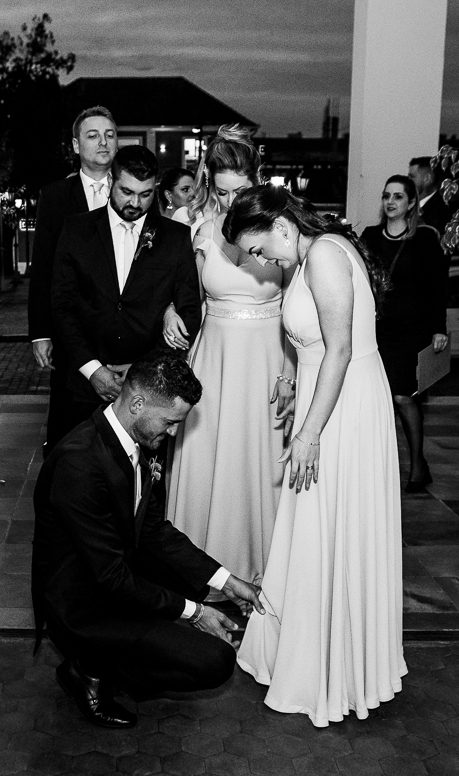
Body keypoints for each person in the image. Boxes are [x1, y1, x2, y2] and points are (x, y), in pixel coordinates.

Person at [225, 184, 405, 727]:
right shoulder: (306, 256)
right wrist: (288, 378)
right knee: (313, 530)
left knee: (331, 526)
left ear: (282, 227)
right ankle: (314, 654)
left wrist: (309, 434)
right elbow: (308, 339)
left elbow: (342, 348)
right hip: (325, 396)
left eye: (258, 251)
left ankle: (335, 670)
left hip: (343, 409)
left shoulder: (324, 253)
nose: (260, 263)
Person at [32, 351, 265, 728]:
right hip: (82, 599)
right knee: (215, 662)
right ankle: (90, 669)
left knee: (189, 580)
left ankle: (122, 649)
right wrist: (196, 613)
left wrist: (226, 580)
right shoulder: (80, 463)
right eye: (171, 422)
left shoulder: (137, 437)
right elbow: (110, 578)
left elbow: (155, 530)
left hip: (114, 567)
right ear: (137, 403)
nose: (174, 432)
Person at [161, 125, 291, 584]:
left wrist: (291, 371)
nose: (232, 201)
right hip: (212, 358)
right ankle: (202, 569)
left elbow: (299, 305)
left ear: (256, 180)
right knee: (208, 458)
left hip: (267, 359)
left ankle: (263, 570)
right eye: (221, 191)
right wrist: (169, 310)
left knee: (256, 460)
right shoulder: (195, 227)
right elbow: (180, 290)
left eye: (241, 190)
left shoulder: (282, 226)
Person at [50, 145, 202, 437]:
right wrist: (93, 369)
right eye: (126, 192)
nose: (135, 202)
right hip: (84, 386)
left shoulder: (175, 237)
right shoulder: (75, 230)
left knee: (141, 479)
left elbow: (190, 312)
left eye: (145, 195)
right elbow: (61, 306)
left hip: (149, 394)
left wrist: (144, 369)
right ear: (110, 182)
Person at [29, 107, 118, 455]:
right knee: (69, 427)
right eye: (93, 135)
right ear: (76, 144)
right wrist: (40, 331)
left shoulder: (134, 193)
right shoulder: (55, 196)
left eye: (110, 134)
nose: (103, 142)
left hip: (120, 328)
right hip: (72, 329)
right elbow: (44, 267)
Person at [360, 175, 449, 491]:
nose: (391, 201)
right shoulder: (369, 236)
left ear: (411, 203)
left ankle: (417, 465)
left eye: (398, 196)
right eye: (386, 195)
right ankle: (377, 469)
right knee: (376, 398)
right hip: (377, 329)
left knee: (403, 397)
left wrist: (440, 328)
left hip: (413, 330)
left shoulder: (425, 238)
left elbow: (438, 286)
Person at [408, 156, 451, 235]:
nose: (408, 181)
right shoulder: (407, 205)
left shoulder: (441, 213)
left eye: (412, 177)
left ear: (427, 179)